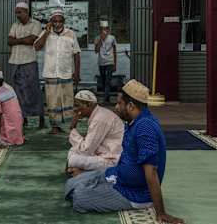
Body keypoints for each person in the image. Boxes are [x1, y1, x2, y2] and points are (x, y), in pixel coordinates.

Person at [65, 79, 184, 224]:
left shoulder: (145, 128)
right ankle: (98, 181)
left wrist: (161, 212)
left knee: (79, 196)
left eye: (119, 103)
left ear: (131, 106)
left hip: (134, 194)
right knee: (71, 185)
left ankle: (133, 199)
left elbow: (151, 171)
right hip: (117, 175)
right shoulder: (133, 122)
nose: (116, 107)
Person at [34, 9, 81, 134]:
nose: (58, 24)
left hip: (66, 73)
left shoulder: (70, 34)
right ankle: (55, 126)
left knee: (67, 100)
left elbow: (76, 53)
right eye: (55, 21)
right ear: (51, 22)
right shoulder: (46, 33)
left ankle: (70, 125)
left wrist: (77, 72)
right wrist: (46, 32)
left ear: (64, 21)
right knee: (52, 100)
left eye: (60, 21)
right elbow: (37, 47)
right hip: (51, 73)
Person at [66, 90, 124, 177]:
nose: (75, 109)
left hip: (112, 161)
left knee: (73, 159)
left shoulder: (99, 119)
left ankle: (84, 172)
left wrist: (73, 128)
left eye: (77, 106)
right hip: (104, 153)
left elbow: (85, 150)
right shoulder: (99, 114)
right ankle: (82, 170)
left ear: (88, 105)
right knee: (73, 150)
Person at [7, 2, 45, 129]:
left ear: (26, 12)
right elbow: (9, 41)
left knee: (33, 90)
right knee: (18, 91)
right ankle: (23, 118)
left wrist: (17, 41)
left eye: (20, 12)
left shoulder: (36, 24)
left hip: (29, 61)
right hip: (15, 61)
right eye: (16, 12)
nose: (17, 15)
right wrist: (24, 40)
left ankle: (41, 118)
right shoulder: (14, 25)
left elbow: (31, 40)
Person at [94, 20, 117, 105]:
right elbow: (96, 51)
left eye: (106, 29)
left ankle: (106, 98)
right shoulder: (97, 38)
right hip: (101, 62)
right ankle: (106, 95)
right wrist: (101, 39)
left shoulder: (112, 38)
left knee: (108, 80)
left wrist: (115, 64)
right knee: (103, 81)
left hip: (110, 61)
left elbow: (114, 51)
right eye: (102, 29)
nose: (104, 31)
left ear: (108, 30)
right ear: (100, 30)